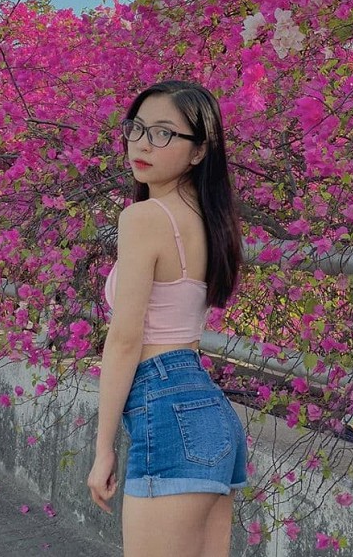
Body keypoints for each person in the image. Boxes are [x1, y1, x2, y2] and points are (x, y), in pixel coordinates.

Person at [88, 80, 247, 557]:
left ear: (199, 151)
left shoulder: (144, 218)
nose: (142, 143)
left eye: (163, 133)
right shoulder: (211, 220)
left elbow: (124, 340)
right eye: (136, 128)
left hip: (166, 406)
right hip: (209, 411)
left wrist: (103, 448)